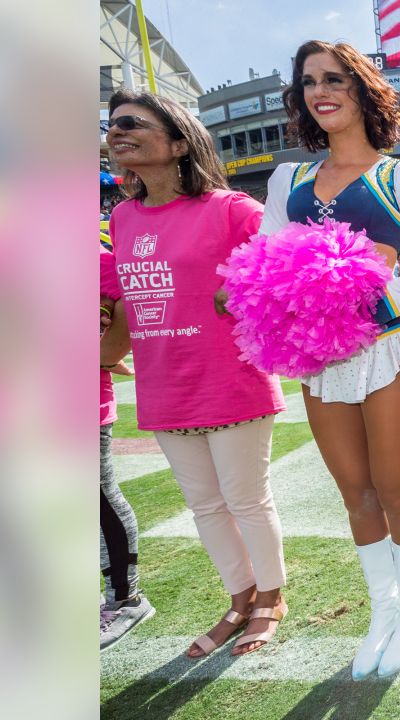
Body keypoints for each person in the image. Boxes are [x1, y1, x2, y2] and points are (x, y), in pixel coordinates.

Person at [261, 40, 400, 679]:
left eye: (335, 80)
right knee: (355, 493)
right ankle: (384, 610)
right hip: (321, 362)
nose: (320, 92)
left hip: (388, 349)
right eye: (308, 83)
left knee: (395, 486)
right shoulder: (285, 180)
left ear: (362, 91)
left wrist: (388, 285)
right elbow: (268, 272)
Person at [103, 89, 288, 657]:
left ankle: (271, 599)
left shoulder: (233, 210)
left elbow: (283, 277)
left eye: (133, 123)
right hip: (164, 385)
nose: (117, 132)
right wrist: (107, 352)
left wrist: (242, 295)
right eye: (112, 125)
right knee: (204, 506)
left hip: (230, 377)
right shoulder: (123, 218)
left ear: (179, 142)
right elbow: (134, 303)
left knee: (246, 499)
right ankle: (239, 597)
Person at [98, 241, 154, 650]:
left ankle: (126, 598)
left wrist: (105, 356)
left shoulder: (96, 260)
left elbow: (130, 310)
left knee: (97, 496)